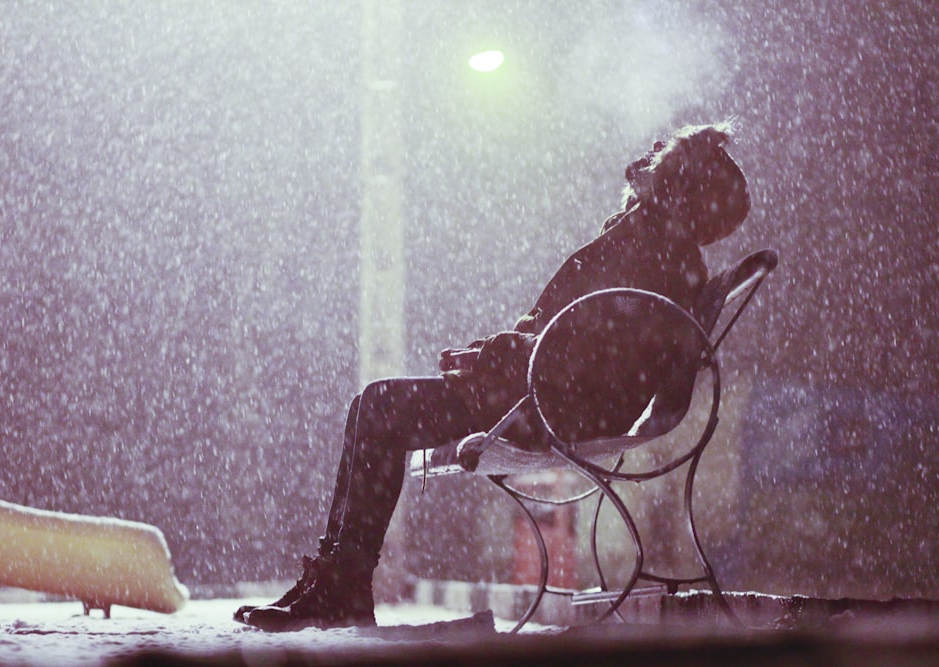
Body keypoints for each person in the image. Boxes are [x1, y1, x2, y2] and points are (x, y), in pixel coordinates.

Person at [235, 122, 752, 632]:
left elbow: (577, 354)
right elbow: (577, 344)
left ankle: (343, 585)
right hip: (548, 397)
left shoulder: (649, 252)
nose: (651, 160)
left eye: (667, 159)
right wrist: (490, 357)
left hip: (548, 408)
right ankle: (336, 577)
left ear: (679, 185)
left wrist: (492, 361)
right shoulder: (663, 254)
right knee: (370, 405)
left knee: (379, 407)